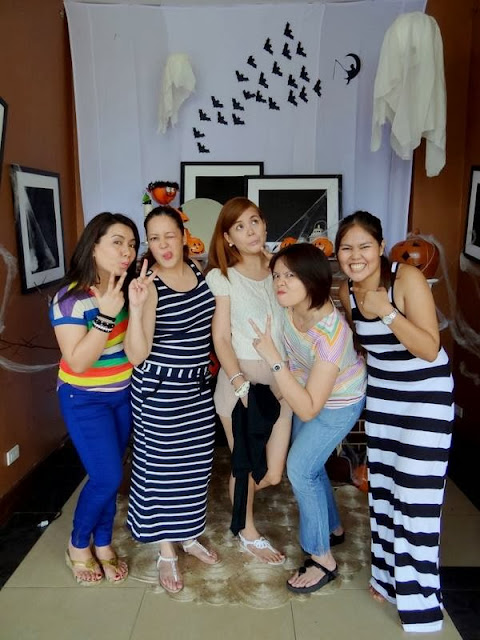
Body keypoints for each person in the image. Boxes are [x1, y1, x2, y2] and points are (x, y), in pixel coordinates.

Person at [335, 211, 454, 633]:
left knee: (416, 498)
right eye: (346, 248)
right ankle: (388, 579)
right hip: (384, 399)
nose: (355, 256)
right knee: (384, 493)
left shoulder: (406, 279)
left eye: (364, 246)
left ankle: (421, 601)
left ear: (382, 248)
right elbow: (368, 349)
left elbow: (429, 347)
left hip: (425, 397)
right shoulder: (346, 290)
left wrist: (386, 311)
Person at [250, 242, 366, 593]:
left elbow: (310, 408)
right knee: (310, 466)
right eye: (277, 275)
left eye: (290, 276)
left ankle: (322, 559)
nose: (280, 282)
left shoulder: (331, 335)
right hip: (304, 389)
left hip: (338, 403)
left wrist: (273, 359)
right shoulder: (290, 304)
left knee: (300, 468)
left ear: (313, 279)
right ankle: (332, 528)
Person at [124, 206, 218, 594]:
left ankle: (188, 533)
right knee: (162, 470)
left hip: (196, 387)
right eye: (154, 238)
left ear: (183, 235)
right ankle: (166, 549)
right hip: (160, 389)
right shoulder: (149, 285)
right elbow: (136, 355)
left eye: (169, 235)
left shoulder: (198, 268)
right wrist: (136, 307)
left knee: (195, 466)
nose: (163, 245)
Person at [49, 212, 140, 585]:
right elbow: (79, 361)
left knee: (111, 474)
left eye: (132, 244)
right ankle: (77, 545)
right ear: (93, 246)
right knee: (107, 475)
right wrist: (105, 316)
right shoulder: (69, 299)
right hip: (84, 399)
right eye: (117, 242)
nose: (127, 251)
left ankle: (102, 542)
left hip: (123, 396)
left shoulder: (127, 289)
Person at [205, 197, 292, 565]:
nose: (250, 231)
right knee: (245, 464)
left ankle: (242, 509)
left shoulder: (283, 269)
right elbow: (221, 338)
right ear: (228, 237)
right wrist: (240, 383)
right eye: (239, 226)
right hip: (241, 382)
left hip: (282, 380)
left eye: (254, 221)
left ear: (265, 224)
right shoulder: (223, 276)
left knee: (272, 473)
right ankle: (247, 530)